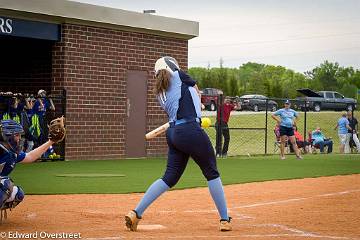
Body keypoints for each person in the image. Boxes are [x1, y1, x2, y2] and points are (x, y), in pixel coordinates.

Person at [125, 56, 232, 232]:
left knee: (169, 178)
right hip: (190, 129)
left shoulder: (160, 91)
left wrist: (195, 106)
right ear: (171, 66)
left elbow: (184, 98)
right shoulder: (179, 75)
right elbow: (196, 89)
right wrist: (198, 103)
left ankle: (136, 212)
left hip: (174, 133)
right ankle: (224, 219)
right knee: (212, 172)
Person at [0, 118, 65, 222]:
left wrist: (51, 141)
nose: (19, 138)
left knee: (17, 194)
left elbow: (30, 157)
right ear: (6, 136)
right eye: (16, 135)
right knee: (4, 185)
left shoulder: (11, 153)